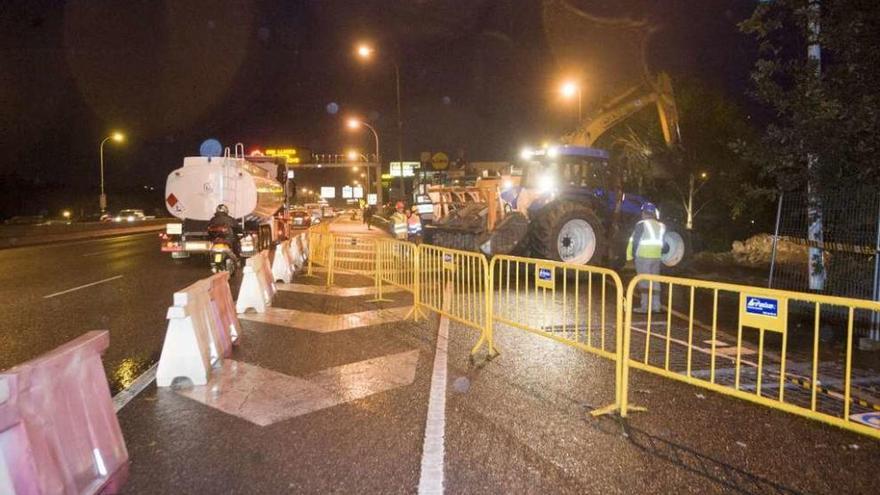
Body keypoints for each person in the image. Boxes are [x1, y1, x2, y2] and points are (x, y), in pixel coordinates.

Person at [627, 202, 666, 313]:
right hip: (656, 257)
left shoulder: (642, 224)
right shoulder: (661, 226)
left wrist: (631, 255)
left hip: (643, 257)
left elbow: (634, 242)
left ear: (644, 213)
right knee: (655, 282)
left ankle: (644, 307)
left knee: (644, 282)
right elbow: (663, 244)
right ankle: (656, 306)